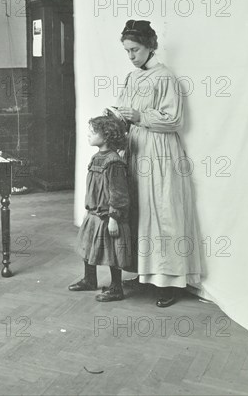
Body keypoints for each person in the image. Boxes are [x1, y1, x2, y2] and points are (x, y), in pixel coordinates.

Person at [116, 19, 201, 307]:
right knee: (140, 212)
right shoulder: (131, 78)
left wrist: (140, 117)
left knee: (163, 212)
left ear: (151, 46)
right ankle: (145, 273)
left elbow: (175, 120)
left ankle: (169, 282)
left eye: (135, 50)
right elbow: (125, 112)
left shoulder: (165, 78)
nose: (131, 56)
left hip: (160, 152)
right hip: (137, 148)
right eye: (127, 51)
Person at [69, 115, 135, 302]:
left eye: (93, 132)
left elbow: (118, 193)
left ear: (106, 136)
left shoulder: (113, 162)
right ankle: (90, 280)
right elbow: (93, 188)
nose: (88, 135)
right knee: (88, 247)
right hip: (94, 214)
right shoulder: (97, 157)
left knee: (113, 252)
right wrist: (88, 209)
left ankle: (116, 288)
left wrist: (114, 217)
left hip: (108, 216)